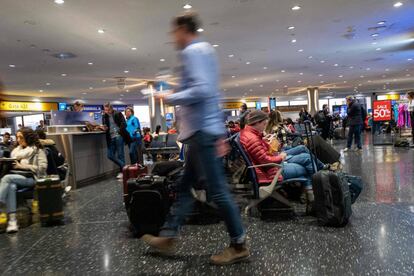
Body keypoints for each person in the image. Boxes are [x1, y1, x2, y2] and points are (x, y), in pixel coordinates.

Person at [141, 12, 248, 265]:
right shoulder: (206, 51)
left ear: (183, 29)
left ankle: (239, 243)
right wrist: (219, 130)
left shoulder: (192, 51)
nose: (172, 38)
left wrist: (169, 98)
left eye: (174, 32)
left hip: (201, 132)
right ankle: (169, 235)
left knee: (218, 191)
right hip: (203, 131)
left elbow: (202, 90)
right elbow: (212, 94)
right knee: (186, 184)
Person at [239, 110, 315, 208]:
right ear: (256, 122)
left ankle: (309, 194)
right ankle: (313, 197)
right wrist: (280, 157)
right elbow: (265, 159)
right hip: (272, 171)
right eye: (264, 124)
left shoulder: (248, 134)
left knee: (307, 160)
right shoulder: (252, 139)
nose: (265, 126)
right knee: (308, 166)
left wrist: (264, 140)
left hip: (269, 168)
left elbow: (261, 153)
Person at [0, 127, 47, 233]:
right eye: (17, 137)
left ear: (28, 137)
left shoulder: (37, 150)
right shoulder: (16, 151)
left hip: (32, 178)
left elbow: (42, 168)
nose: (18, 139)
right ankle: (12, 221)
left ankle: (0, 203)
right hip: (16, 177)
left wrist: (22, 167)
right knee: (11, 186)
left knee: (7, 178)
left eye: (21, 137)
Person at [100, 103, 130, 179]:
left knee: (120, 155)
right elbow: (105, 126)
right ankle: (124, 166)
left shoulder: (118, 113)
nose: (105, 111)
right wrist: (104, 128)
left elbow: (124, 124)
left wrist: (119, 131)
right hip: (110, 137)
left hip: (119, 136)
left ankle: (122, 172)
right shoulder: (104, 116)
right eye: (105, 109)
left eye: (107, 109)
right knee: (109, 155)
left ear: (111, 109)